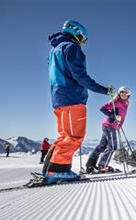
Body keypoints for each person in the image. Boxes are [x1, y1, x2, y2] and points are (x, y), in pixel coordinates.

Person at [43, 20, 114, 184]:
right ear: (77, 33)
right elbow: (80, 77)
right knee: (74, 136)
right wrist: (104, 90)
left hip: (59, 98)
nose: (82, 42)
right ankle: (57, 171)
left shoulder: (54, 50)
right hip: (72, 98)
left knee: (65, 136)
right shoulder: (71, 47)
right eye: (83, 38)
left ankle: (51, 169)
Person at [85, 86, 131, 173]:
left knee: (102, 146)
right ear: (119, 93)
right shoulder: (115, 101)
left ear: (128, 95)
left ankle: (90, 164)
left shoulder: (125, 104)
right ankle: (102, 165)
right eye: (121, 92)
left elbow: (121, 116)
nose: (123, 94)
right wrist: (112, 115)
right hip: (109, 125)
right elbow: (102, 108)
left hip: (112, 126)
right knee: (113, 147)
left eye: (126, 92)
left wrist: (119, 123)